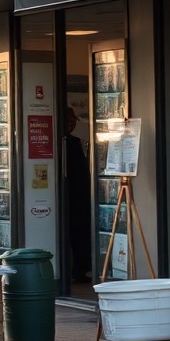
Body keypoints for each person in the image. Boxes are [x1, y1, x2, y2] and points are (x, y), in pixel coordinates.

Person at [64, 107, 92, 282]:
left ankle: (80, 269)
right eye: (67, 120)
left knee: (79, 232)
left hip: (79, 196)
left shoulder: (75, 141)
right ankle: (79, 269)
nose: (70, 123)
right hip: (73, 195)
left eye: (72, 120)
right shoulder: (70, 142)